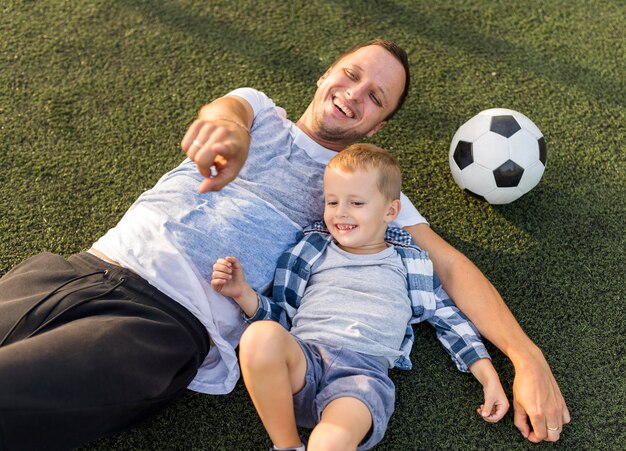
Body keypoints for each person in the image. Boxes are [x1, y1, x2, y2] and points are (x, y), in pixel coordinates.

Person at [0, 39, 568, 450]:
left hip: (164, 323)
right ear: (325, 75)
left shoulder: (360, 186)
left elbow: (448, 265)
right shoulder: (258, 112)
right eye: (349, 76)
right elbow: (226, 113)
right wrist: (230, 130)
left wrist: (526, 357)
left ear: (376, 129)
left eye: (375, 98)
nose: (353, 95)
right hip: (80, 268)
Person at [211, 144, 510, 450]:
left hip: (359, 377)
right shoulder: (311, 250)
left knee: (329, 442)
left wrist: (488, 377)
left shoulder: (411, 262)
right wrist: (243, 293)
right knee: (260, 337)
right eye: (332, 201)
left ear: (390, 212)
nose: (340, 212)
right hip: (304, 360)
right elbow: (283, 320)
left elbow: (449, 319)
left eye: (356, 203)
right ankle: (287, 445)